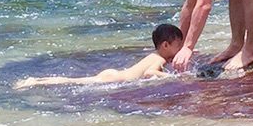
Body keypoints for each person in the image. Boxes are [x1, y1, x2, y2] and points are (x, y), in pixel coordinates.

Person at [15, 24, 186, 88]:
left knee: (77, 80)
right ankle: (35, 82)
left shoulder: (155, 55)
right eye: (178, 46)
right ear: (165, 45)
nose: (179, 50)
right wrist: (172, 77)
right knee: (72, 81)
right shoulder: (160, 59)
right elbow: (150, 73)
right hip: (114, 79)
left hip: (114, 75)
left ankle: (38, 81)